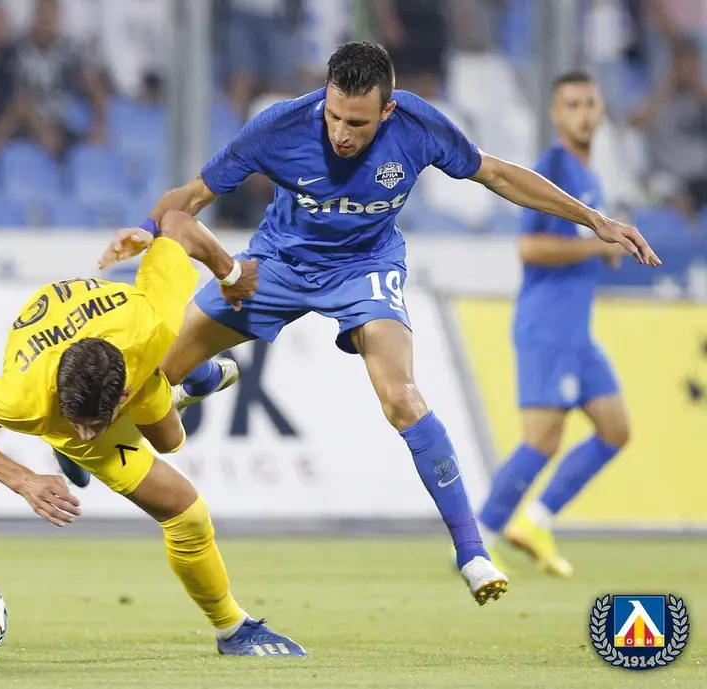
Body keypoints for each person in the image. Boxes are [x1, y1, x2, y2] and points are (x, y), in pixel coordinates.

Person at [104, 42, 661, 606]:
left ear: (388, 110)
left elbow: (495, 174)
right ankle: (202, 378)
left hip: (365, 268)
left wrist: (594, 220)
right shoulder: (279, 127)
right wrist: (145, 229)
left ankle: (472, 552)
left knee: (402, 397)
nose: (341, 134)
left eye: (358, 123)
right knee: (154, 376)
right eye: (334, 116)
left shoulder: (418, 125)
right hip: (277, 262)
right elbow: (194, 194)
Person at [0, 210, 306, 657]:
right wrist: (23, 480)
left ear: (122, 396)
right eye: (77, 423)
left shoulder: (153, 320)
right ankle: (234, 630)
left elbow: (178, 223)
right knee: (187, 514)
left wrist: (230, 273)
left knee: (170, 440)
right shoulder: (23, 397)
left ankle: (180, 383)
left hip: (133, 351)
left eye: (93, 425)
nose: (86, 435)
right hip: (70, 360)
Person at [477, 72, 631, 578]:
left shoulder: (590, 175)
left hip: (577, 332)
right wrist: (598, 245)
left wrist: (600, 249)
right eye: (572, 104)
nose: (583, 113)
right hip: (547, 327)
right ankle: (478, 540)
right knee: (542, 440)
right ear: (555, 114)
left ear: (601, 109)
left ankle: (535, 522)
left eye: (590, 103)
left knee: (615, 429)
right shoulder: (552, 170)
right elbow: (529, 248)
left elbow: (581, 245)